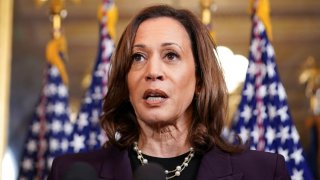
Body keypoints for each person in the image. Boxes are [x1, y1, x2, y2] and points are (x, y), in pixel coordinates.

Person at [48, 4, 290, 180]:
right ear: (126, 83)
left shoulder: (264, 172)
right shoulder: (68, 172)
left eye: (171, 55)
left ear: (200, 81)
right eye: (138, 57)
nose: (153, 71)